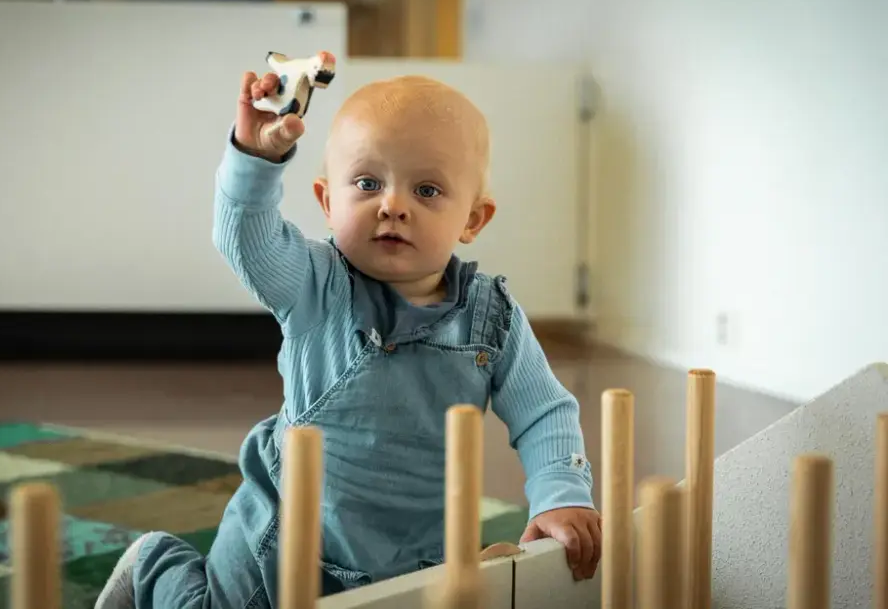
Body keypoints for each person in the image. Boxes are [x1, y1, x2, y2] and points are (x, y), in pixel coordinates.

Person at [95, 51, 601, 609]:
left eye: (427, 191)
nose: (392, 206)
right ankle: (155, 566)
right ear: (327, 200)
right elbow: (246, 239)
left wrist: (560, 495)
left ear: (473, 220)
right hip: (282, 540)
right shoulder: (315, 283)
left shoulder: (493, 317)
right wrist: (255, 160)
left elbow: (544, 413)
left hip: (412, 554)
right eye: (367, 182)